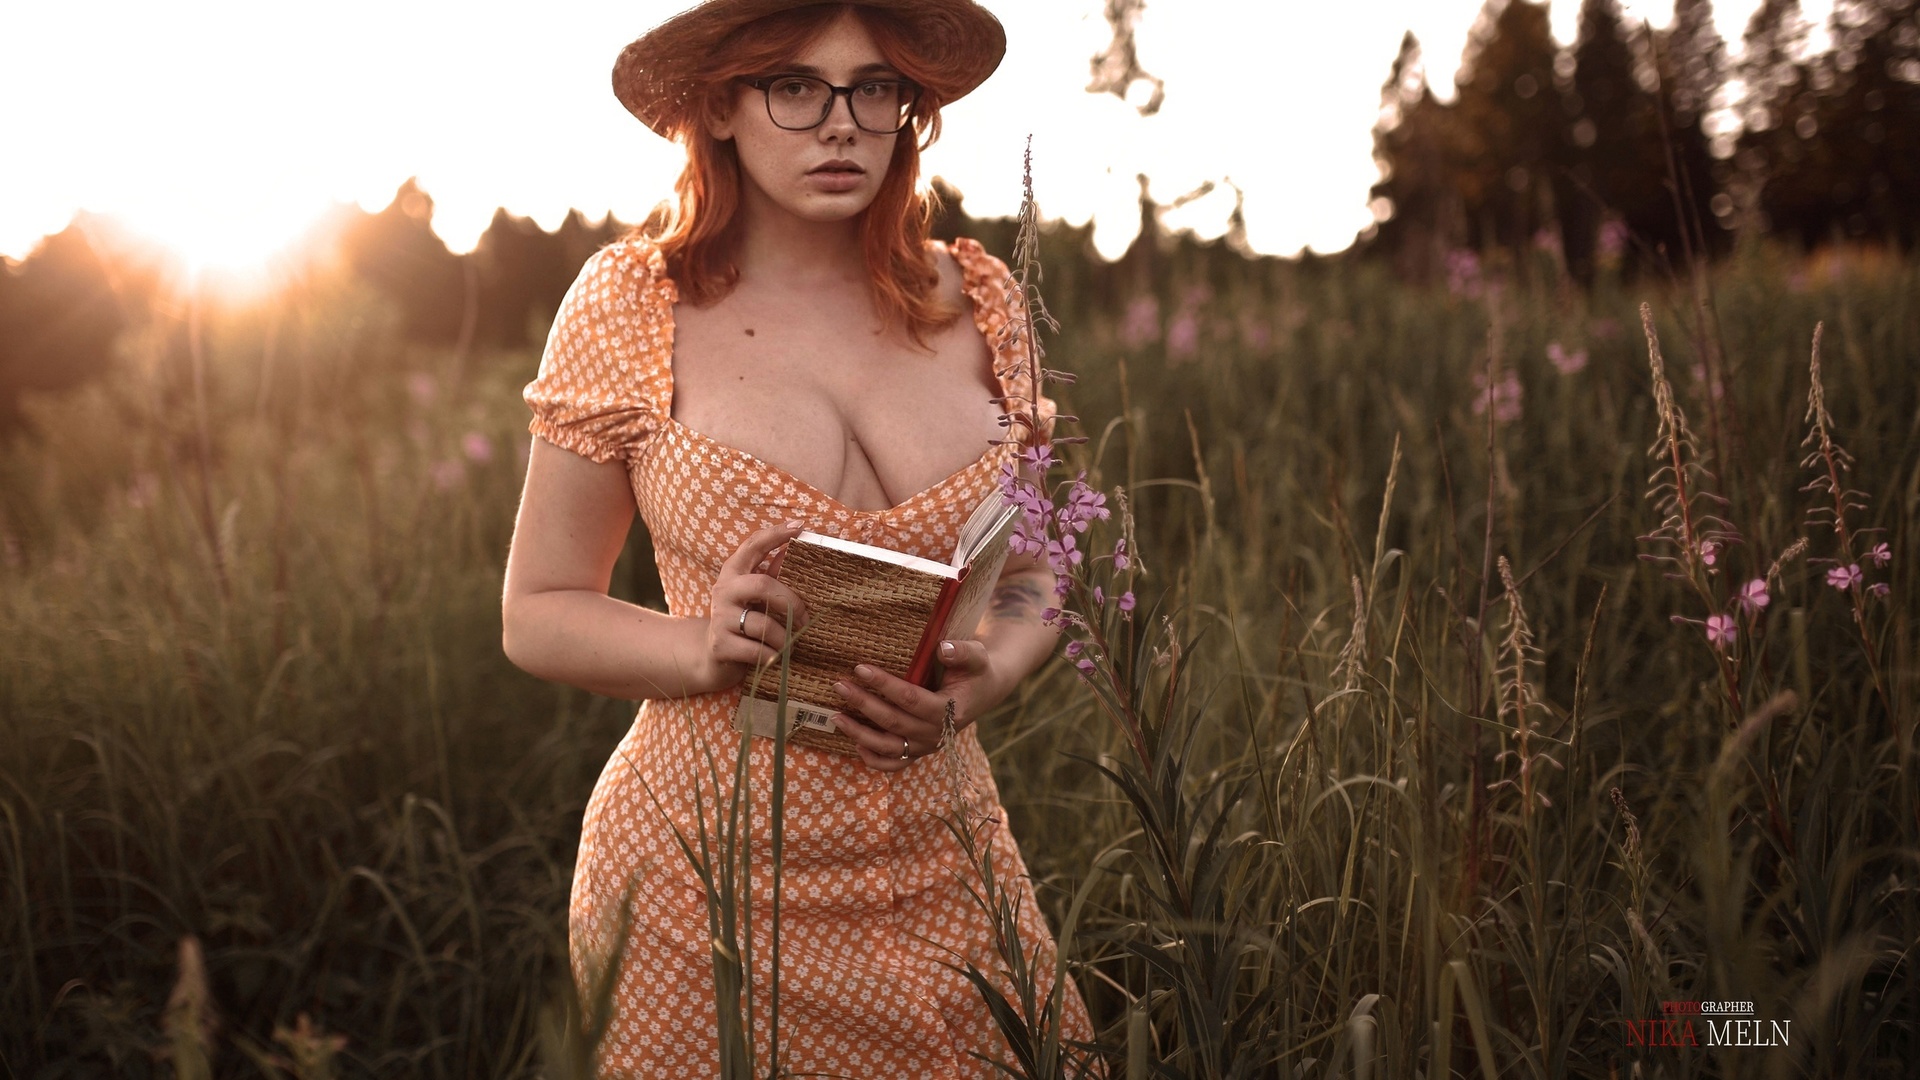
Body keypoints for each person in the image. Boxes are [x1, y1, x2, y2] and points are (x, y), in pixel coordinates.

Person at [499, 1, 1093, 1074]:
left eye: (874, 88)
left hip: (947, 862)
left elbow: (1045, 563)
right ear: (720, 108)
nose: (841, 124)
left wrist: (985, 680)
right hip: (698, 885)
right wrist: (698, 646)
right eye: (795, 86)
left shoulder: (986, 300)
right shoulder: (635, 304)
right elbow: (537, 611)